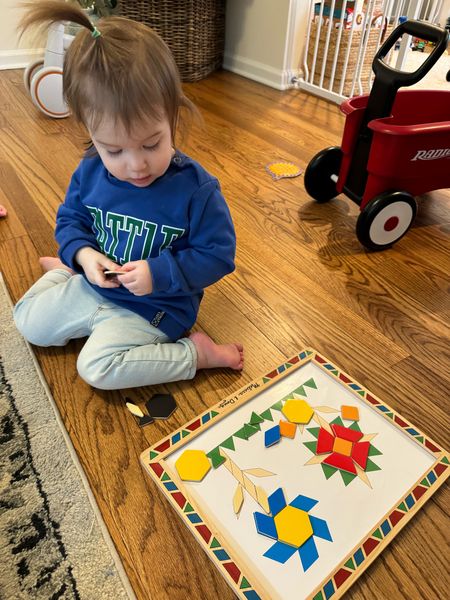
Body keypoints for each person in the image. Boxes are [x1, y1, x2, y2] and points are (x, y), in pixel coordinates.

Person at [14, 1, 243, 390]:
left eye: (152, 144)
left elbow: (218, 256)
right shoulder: (90, 170)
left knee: (97, 369)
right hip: (96, 284)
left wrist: (158, 274)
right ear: (88, 130)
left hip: (157, 308)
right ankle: (67, 269)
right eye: (114, 151)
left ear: (172, 116)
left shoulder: (196, 190)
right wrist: (84, 256)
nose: (136, 165)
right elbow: (71, 220)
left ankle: (197, 355)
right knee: (27, 322)